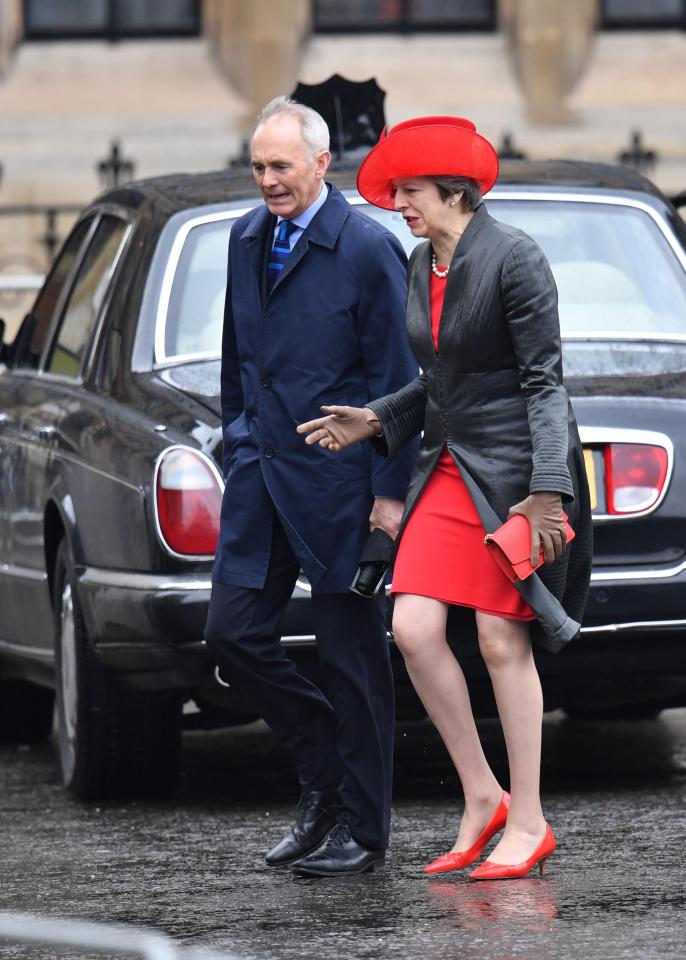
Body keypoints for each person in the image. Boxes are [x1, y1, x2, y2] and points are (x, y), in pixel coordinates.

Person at [297, 116, 592, 881]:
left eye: (411, 191)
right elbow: (438, 381)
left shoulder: (515, 260)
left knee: (501, 638)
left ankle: (527, 820)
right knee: (415, 627)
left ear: (453, 190)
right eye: (396, 192)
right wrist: (377, 420)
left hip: (518, 473)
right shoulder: (420, 260)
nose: (399, 203)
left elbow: (543, 385)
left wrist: (548, 495)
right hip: (448, 465)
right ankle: (481, 795)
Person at [204, 97, 418, 878]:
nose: (268, 181)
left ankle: (363, 830)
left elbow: (402, 384)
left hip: (343, 487)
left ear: (322, 164)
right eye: (259, 166)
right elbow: (238, 359)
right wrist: (238, 443)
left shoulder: (367, 248)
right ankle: (326, 769)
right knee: (232, 633)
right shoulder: (244, 237)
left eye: (281, 166)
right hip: (262, 476)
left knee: (351, 661)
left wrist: (389, 498)